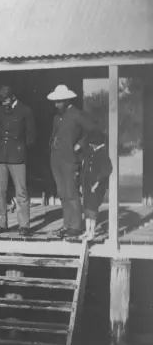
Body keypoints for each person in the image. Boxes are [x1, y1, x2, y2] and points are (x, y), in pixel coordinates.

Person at [47, 84, 96, 237]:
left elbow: (93, 130)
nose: (57, 104)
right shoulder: (57, 116)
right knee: (62, 193)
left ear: (67, 100)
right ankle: (66, 224)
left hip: (70, 159)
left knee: (71, 192)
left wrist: (80, 145)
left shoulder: (77, 115)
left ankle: (75, 226)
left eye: (59, 101)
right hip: (56, 158)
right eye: (55, 102)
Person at [0, 85, 35, 236]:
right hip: (0, 156)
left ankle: (24, 225)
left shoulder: (25, 110)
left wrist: (22, 148)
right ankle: (1, 224)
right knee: (0, 192)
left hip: (17, 156)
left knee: (21, 192)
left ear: (13, 96)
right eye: (1, 100)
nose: (4, 103)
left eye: (6, 99)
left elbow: (31, 135)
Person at [79, 130, 113, 241]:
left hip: (97, 187)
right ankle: (87, 231)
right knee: (87, 209)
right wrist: (81, 183)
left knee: (93, 210)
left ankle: (92, 232)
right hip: (87, 185)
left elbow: (107, 170)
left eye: (92, 143)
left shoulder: (103, 154)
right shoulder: (90, 151)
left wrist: (97, 183)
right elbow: (84, 169)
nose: (90, 144)